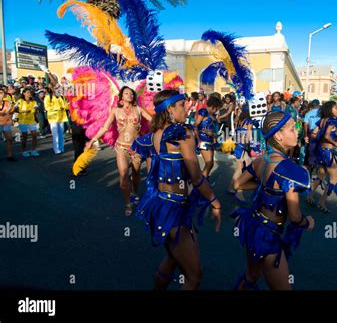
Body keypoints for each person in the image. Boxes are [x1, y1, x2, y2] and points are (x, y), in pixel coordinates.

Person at [134, 89, 221, 290]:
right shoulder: (183, 133)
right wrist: (215, 203)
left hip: (161, 205)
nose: (188, 107)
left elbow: (152, 177)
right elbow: (196, 176)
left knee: (173, 258)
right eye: (182, 104)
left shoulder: (153, 135)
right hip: (173, 209)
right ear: (170, 109)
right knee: (194, 276)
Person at [231, 111, 314, 290]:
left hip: (252, 225)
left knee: (251, 277)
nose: (297, 132)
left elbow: (237, 184)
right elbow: (294, 215)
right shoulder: (290, 170)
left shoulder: (262, 160)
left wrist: (265, 184)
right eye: (292, 129)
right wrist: (307, 222)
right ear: (278, 135)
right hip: (268, 236)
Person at [85, 86, 153, 216]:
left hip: (137, 147)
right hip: (121, 147)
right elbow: (105, 127)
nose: (129, 95)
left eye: (131, 93)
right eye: (126, 93)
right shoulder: (115, 111)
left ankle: (134, 192)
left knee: (136, 174)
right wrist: (93, 140)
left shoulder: (139, 109)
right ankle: (128, 203)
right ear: (121, 97)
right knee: (123, 175)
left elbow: (153, 120)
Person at [309, 101, 337, 212]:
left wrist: (320, 138)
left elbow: (313, 133)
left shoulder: (322, 120)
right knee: (334, 178)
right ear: (329, 109)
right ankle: (322, 202)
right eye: (336, 108)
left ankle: (310, 196)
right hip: (328, 152)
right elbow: (327, 135)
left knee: (321, 175)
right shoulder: (332, 120)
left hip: (320, 150)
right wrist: (336, 143)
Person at [194, 92, 223, 178]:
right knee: (209, 162)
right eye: (216, 108)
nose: (217, 111)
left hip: (210, 140)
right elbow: (195, 125)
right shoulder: (203, 112)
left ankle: (203, 179)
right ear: (213, 106)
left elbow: (213, 128)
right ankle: (203, 182)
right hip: (203, 140)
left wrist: (213, 134)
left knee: (211, 163)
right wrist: (198, 140)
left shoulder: (213, 114)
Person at [228, 109, 254, 202]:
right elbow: (250, 134)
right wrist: (254, 144)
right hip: (242, 147)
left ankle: (238, 187)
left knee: (247, 165)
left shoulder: (240, 121)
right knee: (240, 169)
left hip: (239, 146)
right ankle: (236, 189)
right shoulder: (249, 121)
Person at [15, 89, 40, 157]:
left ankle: (33, 150)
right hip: (23, 121)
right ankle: (24, 151)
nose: (29, 94)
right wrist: (22, 111)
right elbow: (15, 109)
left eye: (30, 92)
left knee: (34, 135)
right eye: (28, 92)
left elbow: (36, 109)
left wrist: (35, 110)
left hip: (31, 120)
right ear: (24, 93)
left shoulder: (34, 101)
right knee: (25, 136)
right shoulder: (20, 101)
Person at [44, 89, 69, 154]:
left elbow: (66, 106)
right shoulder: (48, 97)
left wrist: (66, 105)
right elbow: (47, 107)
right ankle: (56, 149)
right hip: (53, 117)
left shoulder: (62, 97)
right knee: (55, 134)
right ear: (53, 91)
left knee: (61, 133)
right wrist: (58, 108)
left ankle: (61, 148)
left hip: (61, 117)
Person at [0, 88, 15, 161]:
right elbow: (2, 113)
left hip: (6, 123)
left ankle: (10, 156)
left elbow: (12, 111)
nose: (1, 94)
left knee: (10, 139)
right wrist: (4, 112)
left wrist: (13, 109)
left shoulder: (7, 102)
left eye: (2, 93)